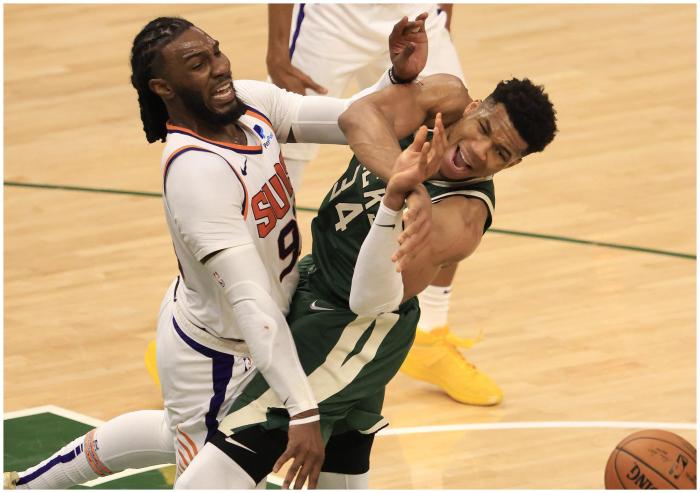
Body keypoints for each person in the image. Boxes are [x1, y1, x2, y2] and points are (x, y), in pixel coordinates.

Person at [4, 15, 431, 490]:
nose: (220, 67)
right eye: (198, 64)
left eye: (216, 52)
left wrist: (394, 77)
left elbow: (349, 118)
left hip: (270, 330)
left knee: (173, 434)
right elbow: (251, 302)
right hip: (220, 355)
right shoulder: (197, 173)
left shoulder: (249, 104)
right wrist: (303, 410)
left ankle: (30, 484)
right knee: (201, 458)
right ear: (163, 87)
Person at [173, 71, 558, 488]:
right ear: (472, 107)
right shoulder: (443, 99)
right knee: (334, 474)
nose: (480, 152)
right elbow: (356, 115)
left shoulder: (460, 219)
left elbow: (370, 301)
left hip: (352, 333)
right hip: (314, 280)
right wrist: (407, 182)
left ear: (512, 164)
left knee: (210, 470)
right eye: (483, 128)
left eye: (500, 152)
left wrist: (393, 203)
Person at [265, 2, 503, 407]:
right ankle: (237, 311)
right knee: (282, 149)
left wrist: (442, 15)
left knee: (466, 151)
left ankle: (430, 334)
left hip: (415, 12)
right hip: (334, 13)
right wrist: (277, 44)